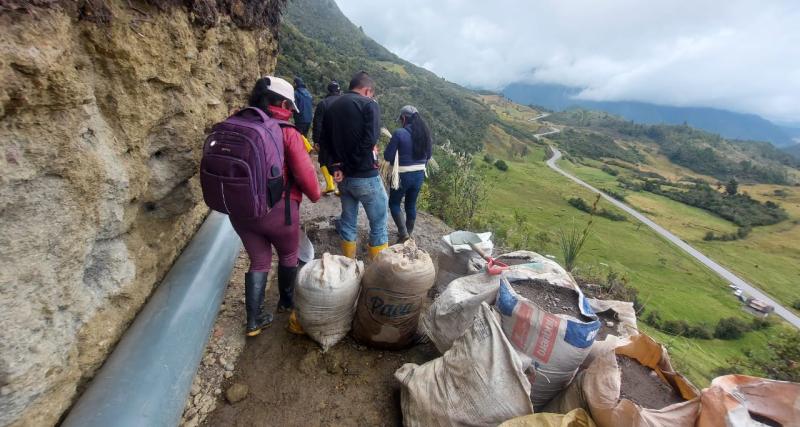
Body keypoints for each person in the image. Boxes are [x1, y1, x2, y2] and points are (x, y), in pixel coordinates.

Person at [233, 76, 321, 337]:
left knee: (259, 259)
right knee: (288, 255)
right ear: (283, 103)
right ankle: (285, 301)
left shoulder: (236, 122)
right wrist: (315, 194)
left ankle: (254, 320)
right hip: (278, 211)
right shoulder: (287, 132)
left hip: (241, 210)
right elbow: (310, 184)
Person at [320, 71, 388, 259]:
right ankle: (376, 276)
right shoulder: (369, 105)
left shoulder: (330, 105)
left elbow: (323, 142)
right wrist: (349, 166)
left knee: (348, 221)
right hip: (365, 177)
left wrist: (336, 168)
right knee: (379, 226)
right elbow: (369, 141)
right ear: (367, 91)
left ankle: (348, 267)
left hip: (343, 179)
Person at [384, 105, 432, 243]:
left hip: (402, 176)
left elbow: (388, 156)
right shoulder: (425, 135)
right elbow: (428, 155)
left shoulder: (399, 133)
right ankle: (408, 233)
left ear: (404, 118)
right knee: (411, 205)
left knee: (394, 203)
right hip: (419, 175)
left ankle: (403, 233)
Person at [312, 80, 342, 195]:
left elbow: (317, 123)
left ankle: (330, 185)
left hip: (326, 138)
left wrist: (316, 140)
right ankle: (340, 188)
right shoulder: (345, 102)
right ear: (339, 90)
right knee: (340, 161)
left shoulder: (323, 103)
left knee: (323, 160)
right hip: (342, 138)